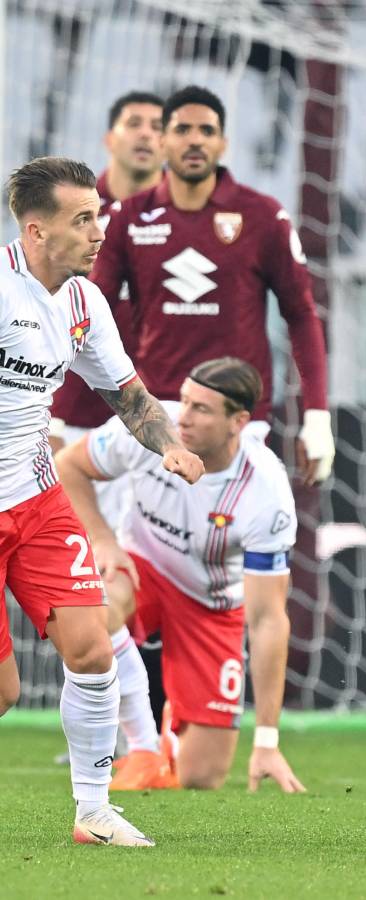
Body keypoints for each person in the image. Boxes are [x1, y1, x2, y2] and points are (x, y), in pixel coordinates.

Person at [0, 156, 203, 846]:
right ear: (35, 231)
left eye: (100, 215)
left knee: (93, 652)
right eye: (82, 219)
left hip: (35, 499)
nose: (99, 230)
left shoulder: (85, 304)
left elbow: (132, 397)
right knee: (3, 694)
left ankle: (93, 811)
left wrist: (167, 445)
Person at [56, 357, 304, 792]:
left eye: (201, 409)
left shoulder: (266, 492)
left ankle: (171, 737)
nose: (182, 417)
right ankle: (144, 746)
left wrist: (266, 740)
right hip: (141, 569)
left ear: (239, 422)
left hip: (211, 604)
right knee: (97, 606)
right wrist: (104, 541)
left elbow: (267, 620)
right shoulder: (150, 427)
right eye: (184, 401)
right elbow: (68, 466)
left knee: (201, 778)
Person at [90, 84, 333, 483]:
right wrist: (57, 410)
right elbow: (91, 312)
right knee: (140, 543)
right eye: (183, 129)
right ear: (163, 141)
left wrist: (318, 415)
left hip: (239, 419)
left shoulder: (263, 216)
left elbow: (302, 315)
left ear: (223, 144)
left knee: (234, 539)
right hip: (156, 419)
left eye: (207, 131)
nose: (195, 140)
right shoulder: (129, 217)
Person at [52, 91, 164, 453]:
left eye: (157, 127)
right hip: (72, 419)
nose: (145, 134)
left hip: (160, 422)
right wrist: (49, 417)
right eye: (134, 124)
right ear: (109, 139)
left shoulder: (192, 223)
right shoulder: (68, 215)